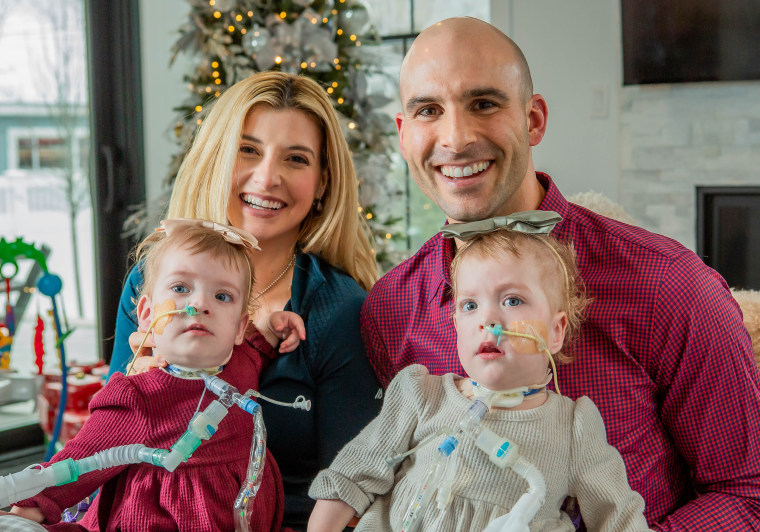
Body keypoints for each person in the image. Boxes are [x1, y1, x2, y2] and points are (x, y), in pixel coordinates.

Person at [361, 16, 760, 530]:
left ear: (533, 120)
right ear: (403, 133)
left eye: (484, 103)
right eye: (428, 111)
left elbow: (746, 491)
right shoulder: (390, 309)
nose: (455, 138)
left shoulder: (668, 286)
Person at [109, 71, 383, 528]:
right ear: (217, 159)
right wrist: (134, 390)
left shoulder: (337, 308)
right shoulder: (152, 280)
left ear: (321, 184)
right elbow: (108, 448)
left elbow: (352, 496)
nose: (268, 176)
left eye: (296, 159)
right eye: (248, 149)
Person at [309, 225, 649, 531]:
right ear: (456, 326)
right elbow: (351, 476)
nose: (488, 318)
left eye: (512, 300)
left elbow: (619, 517)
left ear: (556, 331)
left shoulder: (572, 426)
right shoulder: (422, 395)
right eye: (470, 305)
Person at [5, 219, 306, 530]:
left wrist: (272, 325)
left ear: (240, 327)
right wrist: (33, 507)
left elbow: (258, 344)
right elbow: (80, 459)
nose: (200, 303)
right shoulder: (140, 396)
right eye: (180, 288)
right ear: (147, 314)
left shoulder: (242, 363)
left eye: (222, 296)